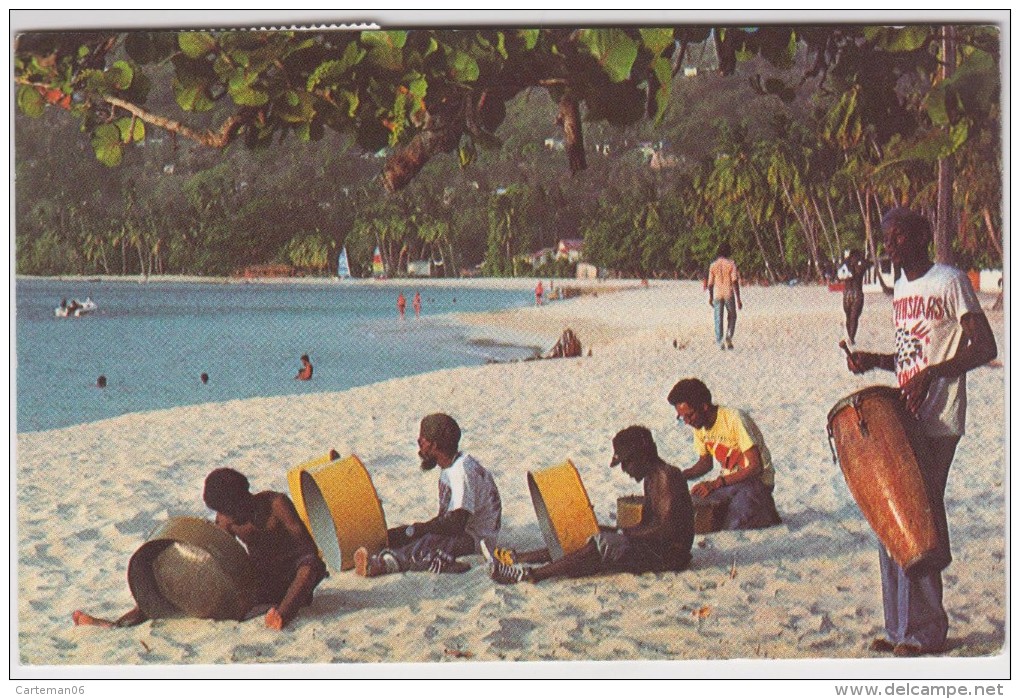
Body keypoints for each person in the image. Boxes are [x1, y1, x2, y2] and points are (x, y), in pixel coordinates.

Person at [845, 207, 996, 657]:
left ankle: (925, 632)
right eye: (886, 238)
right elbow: (911, 353)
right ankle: (898, 629)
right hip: (906, 414)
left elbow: (985, 346)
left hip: (939, 418)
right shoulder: (904, 288)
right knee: (889, 517)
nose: (889, 246)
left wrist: (933, 375)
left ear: (919, 238)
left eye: (897, 237)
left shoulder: (949, 280)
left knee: (919, 517)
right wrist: (873, 360)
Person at [72, 468, 328, 631]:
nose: (228, 518)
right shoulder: (226, 519)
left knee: (310, 567)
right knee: (174, 588)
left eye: (232, 510)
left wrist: (305, 572)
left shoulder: (276, 504)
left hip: (293, 573)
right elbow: (218, 556)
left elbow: (307, 548)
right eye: (223, 513)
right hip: (261, 578)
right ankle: (116, 623)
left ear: (246, 497)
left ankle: (281, 615)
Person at [484, 426, 694, 584]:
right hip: (657, 547)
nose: (625, 470)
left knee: (601, 544)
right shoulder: (651, 479)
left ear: (641, 455)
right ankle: (518, 558)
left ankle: (532, 574)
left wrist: (620, 534)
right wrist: (613, 530)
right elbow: (648, 524)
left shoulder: (668, 477)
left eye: (626, 463)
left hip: (671, 555)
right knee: (586, 534)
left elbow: (668, 529)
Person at [354, 413, 502, 576]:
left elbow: (456, 525)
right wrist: (410, 531)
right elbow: (447, 520)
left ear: (434, 445)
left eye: (421, 441)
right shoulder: (452, 466)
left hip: (475, 540)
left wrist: (418, 530)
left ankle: (383, 564)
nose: (419, 446)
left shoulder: (461, 473)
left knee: (427, 542)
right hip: (462, 530)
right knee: (404, 535)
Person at [667, 378, 781, 530]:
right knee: (693, 512)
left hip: (756, 482)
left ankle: (764, 510)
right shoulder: (699, 426)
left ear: (704, 407)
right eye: (682, 417)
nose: (687, 421)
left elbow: (755, 468)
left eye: (690, 415)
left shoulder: (734, 419)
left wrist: (716, 483)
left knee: (733, 525)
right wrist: (680, 476)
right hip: (729, 483)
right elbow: (705, 464)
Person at [707, 242, 742, 349]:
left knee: (718, 317)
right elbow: (735, 281)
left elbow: (710, 284)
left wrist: (711, 297)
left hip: (718, 293)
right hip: (728, 293)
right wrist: (738, 299)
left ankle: (719, 341)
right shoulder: (731, 264)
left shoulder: (713, 265)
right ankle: (729, 336)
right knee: (732, 316)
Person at [837, 249, 869, 345]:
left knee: (850, 317)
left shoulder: (846, 264)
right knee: (853, 317)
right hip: (856, 293)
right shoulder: (859, 264)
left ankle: (851, 337)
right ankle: (851, 337)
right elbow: (860, 271)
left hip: (847, 293)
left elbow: (840, 276)